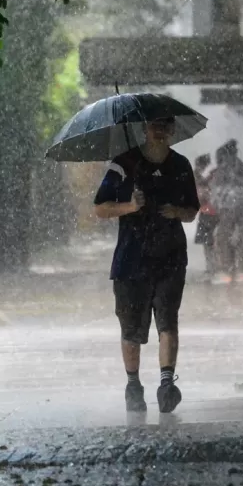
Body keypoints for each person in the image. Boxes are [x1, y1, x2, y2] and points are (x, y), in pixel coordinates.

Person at [93, 117, 200, 414]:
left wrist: (177, 211)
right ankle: (133, 385)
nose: (160, 130)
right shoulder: (123, 164)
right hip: (131, 261)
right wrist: (130, 206)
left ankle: (167, 385)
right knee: (131, 329)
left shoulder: (181, 166)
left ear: (173, 129)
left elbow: (192, 211)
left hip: (170, 258)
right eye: (154, 124)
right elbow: (100, 207)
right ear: (144, 129)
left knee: (168, 321)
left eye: (165, 125)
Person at [210, 140, 243, 285]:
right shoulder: (241, 168)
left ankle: (229, 270)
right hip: (241, 205)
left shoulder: (223, 169)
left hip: (227, 207)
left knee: (224, 238)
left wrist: (217, 204)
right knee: (238, 237)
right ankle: (240, 270)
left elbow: (216, 191)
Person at [193, 154, 219, 279]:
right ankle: (211, 268)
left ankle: (212, 269)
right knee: (209, 242)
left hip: (209, 212)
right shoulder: (205, 177)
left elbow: (203, 195)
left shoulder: (207, 177)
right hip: (208, 211)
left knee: (209, 242)